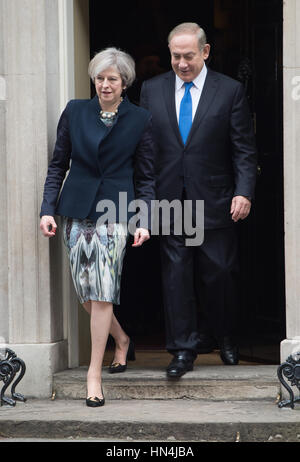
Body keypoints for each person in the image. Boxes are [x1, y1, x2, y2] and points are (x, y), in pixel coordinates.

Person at [140, 23, 257, 377]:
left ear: (205, 52)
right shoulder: (151, 90)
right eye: (176, 56)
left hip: (217, 199)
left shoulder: (230, 91)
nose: (182, 63)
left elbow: (244, 150)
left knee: (219, 274)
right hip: (169, 202)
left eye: (188, 56)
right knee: (175, 276)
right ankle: (182, 351)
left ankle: (224, 335)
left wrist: (244, 190)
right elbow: (146, 154)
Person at [40, 47, 155, 406]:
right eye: (100, 78)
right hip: (75, 209)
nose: (105, 85)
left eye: (112, 79)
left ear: (125, 84)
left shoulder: (140, 119)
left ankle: (94, 374)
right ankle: (121, 339)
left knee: (103, 290)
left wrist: (144, 220)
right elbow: (58, 163)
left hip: (115, 211)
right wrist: (47, 209)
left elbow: (147, 176)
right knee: (86, 293)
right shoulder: (75, 112)